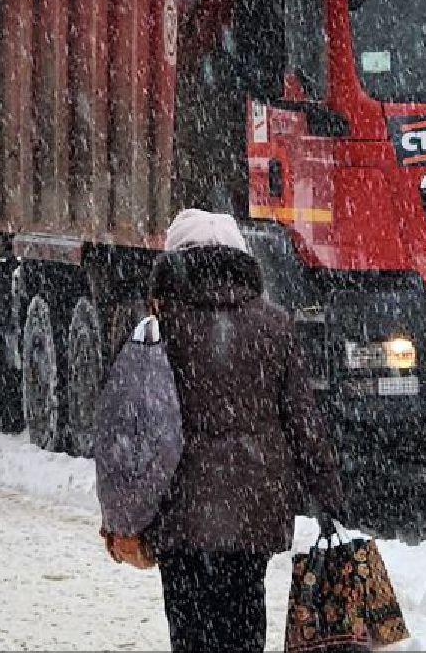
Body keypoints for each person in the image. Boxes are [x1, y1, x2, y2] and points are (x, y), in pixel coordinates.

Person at [116, 208, 345, 653]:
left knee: (191, 634)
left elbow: (133, 428)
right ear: (241, 260)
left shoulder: (160, 329)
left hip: (180, 514)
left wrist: (124, 513)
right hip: (252, 511)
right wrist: (327, 493)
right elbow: (302, 421)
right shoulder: (275, 325)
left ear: (176, 262)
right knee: (243, 625)